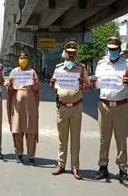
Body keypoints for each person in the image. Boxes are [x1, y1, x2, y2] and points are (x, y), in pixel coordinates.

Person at [90, 37, 128, 188]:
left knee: (121, 140)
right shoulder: (101, 64)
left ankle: (123, 171)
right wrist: (92, 81)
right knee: (104, 138)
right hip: (103, 106)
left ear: (120, 49)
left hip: (120, 106)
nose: (112, 52)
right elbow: (94, 87)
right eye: (110, 49)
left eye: (114, 49)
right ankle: (103, 167)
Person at [50, 41, 90, 180]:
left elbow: (89, 87)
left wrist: (82, 85)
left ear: (76, 54)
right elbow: (53, 85)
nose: (71, 55)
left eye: (74, 53)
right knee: (62, 138)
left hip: (76, 107)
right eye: (69, 53)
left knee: (75, 138)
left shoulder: (81, 68)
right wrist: (52, 83)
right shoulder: (58, 68)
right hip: (62, 107)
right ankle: (61, 165)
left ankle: (75, 167)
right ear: (65, 54)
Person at [6, 51, 40, 164]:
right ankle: (19, 153)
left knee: (30, 129)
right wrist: (10, 84)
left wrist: (35, 84)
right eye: (21, 58)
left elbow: (36, 90)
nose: (23, 60)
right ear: (18, 59)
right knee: (17, 129)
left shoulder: (32, 72)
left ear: (28, 59)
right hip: (17, 104)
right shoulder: (14, 72)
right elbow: (9, 90)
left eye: (25, 58)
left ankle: (31, 155)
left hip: (30, 103)